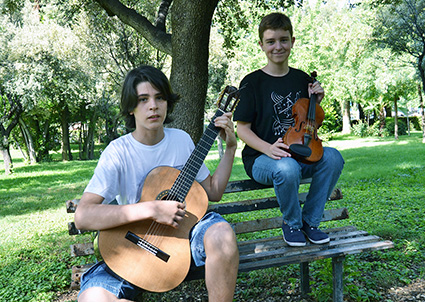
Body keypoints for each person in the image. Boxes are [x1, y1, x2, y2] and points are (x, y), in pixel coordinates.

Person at [74, 65, 239, 301]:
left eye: (159, 98)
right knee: (93, 297)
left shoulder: (181, 139)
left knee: (221, 233)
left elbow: (213, 191)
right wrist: (153, 209)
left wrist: (231, 148)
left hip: (183, 240)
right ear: (131, 108)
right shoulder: (118, 152)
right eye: (143, 99)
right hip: (133, 243)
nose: (153, 106)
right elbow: (83, 216)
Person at [233, 12, 344, 247]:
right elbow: (241, 130)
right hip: (262, 158)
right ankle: (292, 224)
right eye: (271, 41)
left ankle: (310, 223)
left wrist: (317, 102)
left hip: (299, 153)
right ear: (261, 45)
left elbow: (307, 120)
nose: (278, 47)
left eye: (284, 40)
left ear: (292, 41)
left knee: (333, 157)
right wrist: (268, 148)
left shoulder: (302, 78)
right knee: (286, 166)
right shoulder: (251, 83)